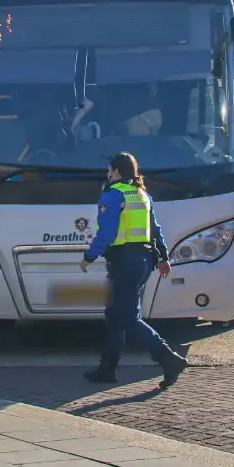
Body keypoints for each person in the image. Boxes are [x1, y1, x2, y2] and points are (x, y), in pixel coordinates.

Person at [79, 153, 189, 388]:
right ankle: (107, 370)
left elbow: (107, 233)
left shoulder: (113, 195)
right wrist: (163, 257)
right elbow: (155, 230)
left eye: (109, 171)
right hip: (143, 261)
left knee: (128, 318)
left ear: (116, 171)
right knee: (116, 316)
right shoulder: (142, 195)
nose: (108, 175)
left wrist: (89, 257)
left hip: (124, 262)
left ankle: (168, 358)